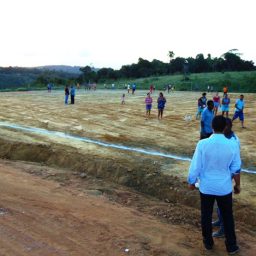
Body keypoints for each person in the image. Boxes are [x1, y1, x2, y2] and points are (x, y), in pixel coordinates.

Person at [187, 115, 241, 254]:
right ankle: (231, 246)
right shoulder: (232, 144)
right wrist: (237, 185)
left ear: (212, 126)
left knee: (206, 215)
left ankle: (208, 243)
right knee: (228, 216)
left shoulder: (202, 144)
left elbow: (195, 166)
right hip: (224, 188)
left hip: (206, 187)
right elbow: (236, 169)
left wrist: (192, 182)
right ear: (225, 127)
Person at [212, 118, 241, 238]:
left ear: (229, 127)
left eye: (226, 127)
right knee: (219, 203)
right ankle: (220, 221)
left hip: (226, 176)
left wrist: (237, 183)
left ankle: (223, 229)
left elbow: (236, 164)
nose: (224, 129)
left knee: (223, 204)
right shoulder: (224, 137)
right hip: (221, 174)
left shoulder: (233, 141)